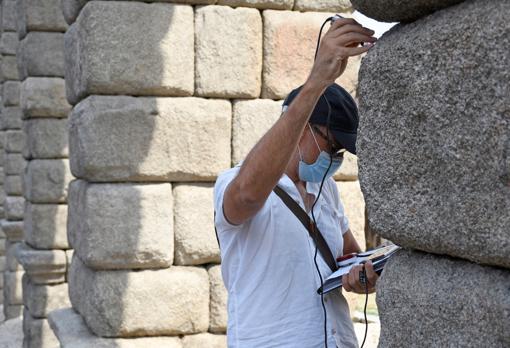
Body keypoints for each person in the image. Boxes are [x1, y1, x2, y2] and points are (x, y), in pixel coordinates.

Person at [214, 17, 378, 348]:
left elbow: (348, 254)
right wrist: (316, 82)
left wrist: (363, 275)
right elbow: (245, 196)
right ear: (302, 126)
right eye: (332, 145)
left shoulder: (324, 189)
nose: (335, 157)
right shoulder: (235, 183)